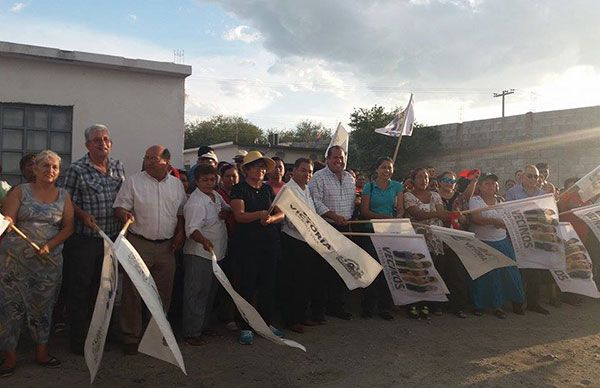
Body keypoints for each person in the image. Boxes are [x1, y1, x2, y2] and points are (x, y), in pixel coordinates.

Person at [0, 150, 74, 377]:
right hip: (15, 263)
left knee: (43, 308)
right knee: (10, 308)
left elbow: (68, 227)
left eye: (54, 167)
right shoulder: (19, 192)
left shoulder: (64, 196)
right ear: (35, 168)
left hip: (48, 263)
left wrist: (50, 245)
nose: (49, 170)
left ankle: (41, 353)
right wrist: (8, 221)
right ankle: (9, 357)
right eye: (45, 166)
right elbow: (8, 219)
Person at [113, 145, 186, 355]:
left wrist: (180, 232)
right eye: (146, 157)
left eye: (153, 158)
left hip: (167, 247)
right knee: (132, 293)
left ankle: (155, 335)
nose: (148, 161)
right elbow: (119, 207)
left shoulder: (176, 185)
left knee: (163, 293)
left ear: (167, 162)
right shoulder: (133, 182)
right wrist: (123, 215)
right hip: (139, 243)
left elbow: (180, 212)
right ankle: (130, 337)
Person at [60, 124, 126, 355]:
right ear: (88, 145)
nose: (102, 143)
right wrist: (82, 215)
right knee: (80, 291)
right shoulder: (76, 169)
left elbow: (123, 197)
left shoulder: (118, 166)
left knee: (107, 289)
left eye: (106, 139)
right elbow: (66, 200)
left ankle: (105, 334)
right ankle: (79, 339)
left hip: (112, 240)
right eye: (97, 140)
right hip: (85, 240)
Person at [230, 151, 285, 345]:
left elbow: (281, 214)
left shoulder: (268, 190)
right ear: (246, 169)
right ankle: (245, 325)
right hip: (247, 245)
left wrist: (271, 218)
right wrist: (259, 214)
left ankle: (265, 323)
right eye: (256, 166)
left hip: (269, 244)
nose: (261, 170)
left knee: (267, 285)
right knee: (247, 285)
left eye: (263, 167)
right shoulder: (239, 189)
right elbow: (239, 215)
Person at [182, 164, 229, 345]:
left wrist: (225, 212)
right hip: (199, 254)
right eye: (205, 180)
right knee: (196, 293)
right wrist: (203, 241)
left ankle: (203, 326)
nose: (209, 183)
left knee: (209, 293)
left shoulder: (215, 195)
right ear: (197, 181)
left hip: (217, 253)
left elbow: (227, 208)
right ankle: (191, 332)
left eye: (212, 179)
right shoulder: (195, 202)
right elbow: (192, 229)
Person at [468, 173, 525, 318]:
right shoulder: (475, 200)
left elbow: (509, 220)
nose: (490, 186)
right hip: (482, 242)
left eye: (493, 183)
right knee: (485, 275)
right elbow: (476, 219)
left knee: (508, 273)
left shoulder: (501, 201)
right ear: (479, 186)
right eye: (486, 183)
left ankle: (504, 304)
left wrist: (502, 223)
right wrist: (497, 222)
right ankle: (479, 305)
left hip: (501, 241)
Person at [280, 158, 327, 333]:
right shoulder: (288, 190)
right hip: (293, 240)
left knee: (305, 281)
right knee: (293, 282)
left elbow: (312, 214)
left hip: (308, 241)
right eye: (303, 170)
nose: (307, 174)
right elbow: (292, 221)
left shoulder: (306, 189)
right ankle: (291, 319)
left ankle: (302, 315)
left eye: (309, 171)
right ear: (294, 171)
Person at [308, 145, 355, 320]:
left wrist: (346, 219)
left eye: (341, 158)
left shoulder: (350, 178)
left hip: (345, 228)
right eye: (335, 157)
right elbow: (316, 202)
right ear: (327, 159)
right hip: (326, 227)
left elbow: (351, 203)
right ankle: (318, 310)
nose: (339, 161)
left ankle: (336, 306)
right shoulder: (318, 178)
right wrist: (334, 216)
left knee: (341, 269)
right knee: (322, 271)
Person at [359, 157, 404, 321]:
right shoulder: (368, 187)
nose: (387, 171)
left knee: (387, 269)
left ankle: (385, 306)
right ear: (376, 170)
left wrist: (397, 218)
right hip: (370, 232)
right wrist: (383, 218)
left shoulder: (398, 186)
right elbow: (365, 211)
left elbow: (400, 209)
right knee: (371, 269)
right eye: (383, 167)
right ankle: (367, 306)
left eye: (390, 168)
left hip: (389, 232)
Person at [505, 164, 551, 315]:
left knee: (535, 271)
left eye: (536, 176)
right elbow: (508, 212)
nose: (533, 179)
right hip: (518, 237)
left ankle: (533, 303)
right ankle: (517, 303)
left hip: (536, 237)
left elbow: (546, 215)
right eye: (530, 176)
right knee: (519, 272)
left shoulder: (542, 193)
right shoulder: (512, 192)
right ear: (522, 177)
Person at [404, 167, 448, 318]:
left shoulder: (435, 195)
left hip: (434, 240)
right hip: (416, 239)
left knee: (431, 271)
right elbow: (417, 214)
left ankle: (428, 303)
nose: (424, 180)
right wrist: (438, 213)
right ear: (413, 179)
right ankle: (414, 303)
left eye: (426, 177)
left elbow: (442, 214)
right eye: (420, 177)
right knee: (416, 270)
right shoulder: (408, 196)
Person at [435, 171, 473, 318]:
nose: (448, 183)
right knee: (440, 271)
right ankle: (438, 305)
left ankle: (458, 306)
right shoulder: (434, 196)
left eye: (451, 181)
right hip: (438, 239)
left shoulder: (461, 198)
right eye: (445, 179)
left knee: (457, 273)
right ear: (439, 181)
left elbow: (467, 219)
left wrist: (461, 218)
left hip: (456, 239)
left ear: (455, 183)